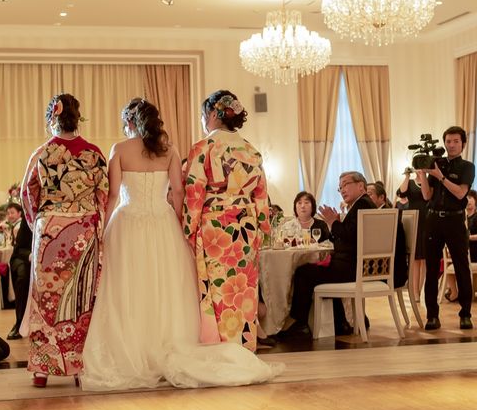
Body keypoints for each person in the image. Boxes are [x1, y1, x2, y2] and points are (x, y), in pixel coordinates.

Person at [81, 98, 280, 391]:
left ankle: (136, 349)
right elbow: (178, 192)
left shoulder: (121, 150)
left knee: (128, 288)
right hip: (191, 224)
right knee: (169, 287)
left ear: (130, 122)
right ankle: (237, 344)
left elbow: (113, 195)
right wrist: (179, 227)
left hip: (132, 222)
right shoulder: (177, 150)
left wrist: (102, 230)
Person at [21, 93, 109, 388]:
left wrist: (39, 224)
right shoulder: (94, 153)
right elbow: (103, 195)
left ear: (52, 118)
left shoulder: (42, 153)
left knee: (46, 299)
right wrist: (94, 223)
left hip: (50, 230)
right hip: (84, 229)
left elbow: (27, 194)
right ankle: (77, 366)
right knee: (80, 300)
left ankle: (42, 369)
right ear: (77, 117)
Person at [182, 90, 272, 354]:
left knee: (218, 290)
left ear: (212, 114)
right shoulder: (251, 151)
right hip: (247, 227)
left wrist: (188, 229)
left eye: (203, 115)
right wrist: (263, 228)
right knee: (243, 289)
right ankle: (244, 348)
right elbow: (261, 196)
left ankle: (220, 351)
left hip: (216, 228)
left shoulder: (204, 148)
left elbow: (194, 193)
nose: (203, 121)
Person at [287, 171, 376, 337]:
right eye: (340, 187)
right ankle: (340, 323)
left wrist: (332, 222)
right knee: (321, 271)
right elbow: (348, 237)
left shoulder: (362, 205)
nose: (342, 190)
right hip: (355, 265)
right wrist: (337, 223)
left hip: (353, 267)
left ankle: (301, 323)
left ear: (361, 186)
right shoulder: (362, 204)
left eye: (346, 184)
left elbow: (349, 236)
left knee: (303, 272)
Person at [419, 126, 475, 331]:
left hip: (455, 220)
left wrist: (441, 176)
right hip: (433, 219)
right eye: (448, 141)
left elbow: (460, 193)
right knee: (432, 269)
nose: (451, 145)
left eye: (456, 141)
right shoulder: (436, 163)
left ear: (463, 144)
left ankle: (465, 314)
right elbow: (427, 195)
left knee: (461, 267)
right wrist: (423, 174)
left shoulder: (467, 167)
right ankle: (432, 316)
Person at [444, 189, 477, 302]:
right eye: (466, 198)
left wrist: (467, 238)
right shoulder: (462, 215)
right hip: (467, 250)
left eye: (470, 198)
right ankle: (455, 291)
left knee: (456, 260)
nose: (468, 200)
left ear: (476, 200)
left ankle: (459, 292)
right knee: (448, 262)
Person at [397, 168, 428, 300]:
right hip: (414, 220)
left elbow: (428, 196)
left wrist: (423, 175)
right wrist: (407, 176)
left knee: (425, 259)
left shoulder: (429, 181)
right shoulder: (409, 183)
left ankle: (420, 290)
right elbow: (401, 193)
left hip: (427, 220)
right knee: (415, 259)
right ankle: (414, 291)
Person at [6, 211, 32, 340]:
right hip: (23, 256)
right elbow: (20, 248)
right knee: (23, 276)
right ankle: (19, 322)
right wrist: (30, 255)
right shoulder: (28, 218)